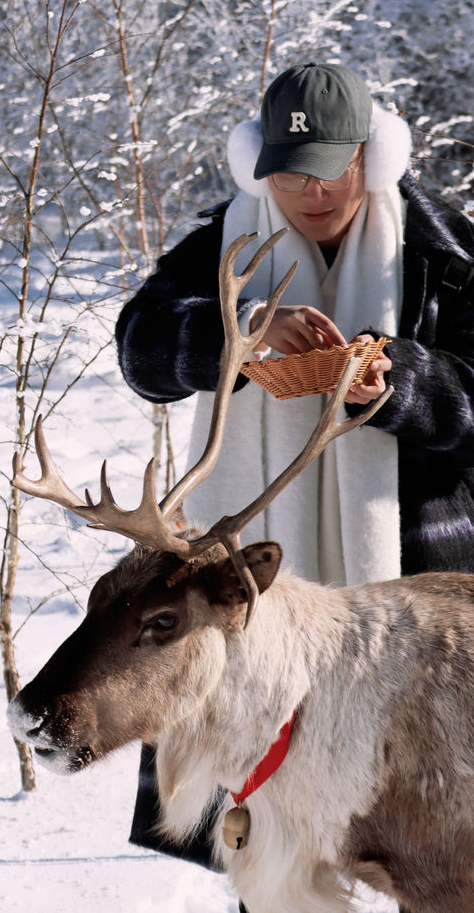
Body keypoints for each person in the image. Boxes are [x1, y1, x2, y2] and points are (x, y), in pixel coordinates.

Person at [116, 61, 474, 906]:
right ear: (259, 165)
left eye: (331, 171)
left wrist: (398, 384)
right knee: (264, 841)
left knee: (437, 854)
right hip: (255, 610)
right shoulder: (229, 246)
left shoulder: (445, 257)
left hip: (416, 607)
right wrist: (239, 331)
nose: (309, 193)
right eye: (288, 173)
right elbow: (141, 351)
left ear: (372, 158)